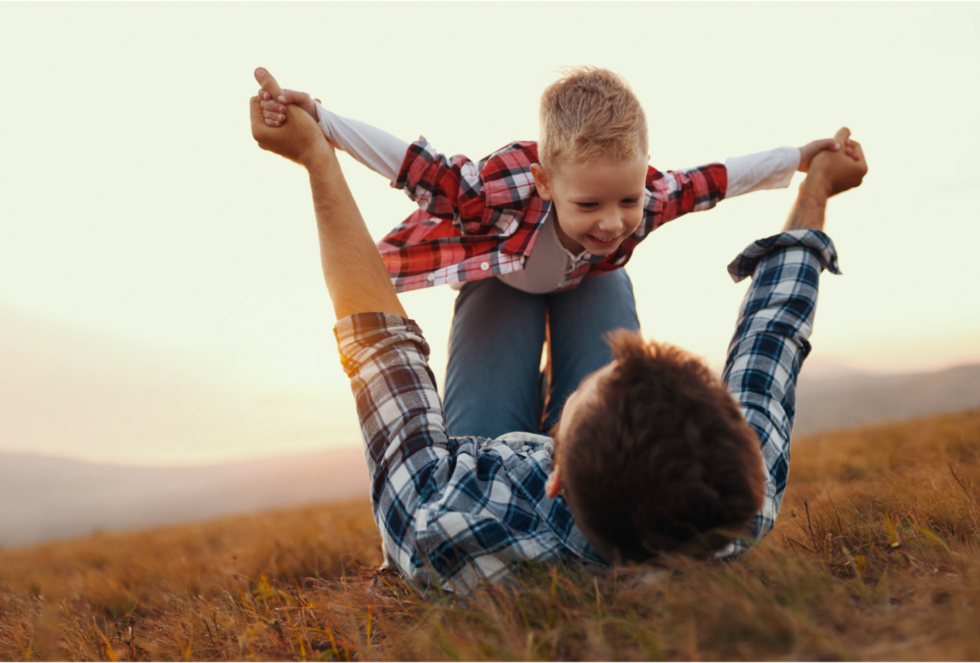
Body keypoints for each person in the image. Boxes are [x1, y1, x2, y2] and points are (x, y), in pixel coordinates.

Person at [248, 70, 868, 593]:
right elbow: (772, 333)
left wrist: (316, 147)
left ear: (556, 472)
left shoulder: (442, 517)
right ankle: (563, 280)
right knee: (601, 277)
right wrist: (811, 179)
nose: (615, 220)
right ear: (732, 442)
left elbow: (379, 346)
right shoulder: (735, 497)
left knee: (517, 288)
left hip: (500, 312)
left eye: (597, 393)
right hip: (543, 265)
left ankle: (535, 285)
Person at [255, 66, 858, 438]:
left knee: (603, 426)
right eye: (589, 206)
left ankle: (574, 441)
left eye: (625, 199)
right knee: (484, 439)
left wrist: (800, 158)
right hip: (502, 280)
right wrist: (321, 120)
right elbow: (415, 165)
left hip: (591, 285)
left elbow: (716, 180)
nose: (613, 222)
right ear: (546, 184)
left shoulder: (648, 197)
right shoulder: (495, 193)